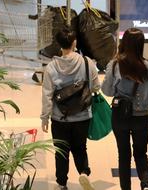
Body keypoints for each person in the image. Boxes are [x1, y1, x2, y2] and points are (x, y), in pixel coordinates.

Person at [41, 30, 100, 190]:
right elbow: (96, 87)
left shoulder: (51, 68)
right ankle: (84, 172)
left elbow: (47, 95)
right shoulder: (87, 63)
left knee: (61, 152)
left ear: (59, 45)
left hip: (60, 118)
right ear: (74, 43)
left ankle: (61, 184)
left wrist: (45, 118)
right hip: (82, 117)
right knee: (80, 148)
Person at [102, 28, 148, 190]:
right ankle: (145, 185)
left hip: (121, 116)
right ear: (141, 45)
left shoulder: (115, 64)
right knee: (141, 153)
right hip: (142, 116)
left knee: (123, 155)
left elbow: (107, 91)